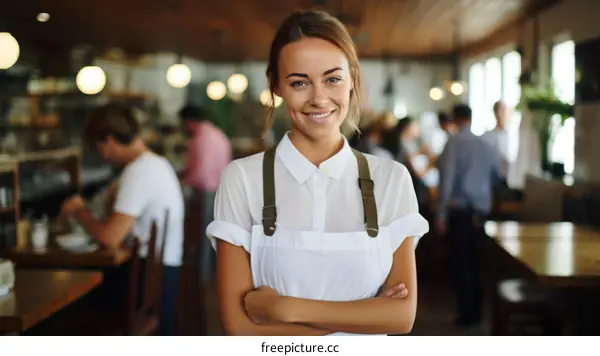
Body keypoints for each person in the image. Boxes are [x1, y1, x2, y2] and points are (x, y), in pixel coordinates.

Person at [205, 10, 429, 336]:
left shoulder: (392, 179)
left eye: (332, 79)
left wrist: (285, 309)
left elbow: (401, 318)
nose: (318, 98)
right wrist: (366, 315)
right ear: (276, 85)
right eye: (299, 82)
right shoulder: (242, 179)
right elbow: (241, 329)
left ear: (352, 78)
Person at [60, 103, 185, 336]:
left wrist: (79, 211)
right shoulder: (155, 163)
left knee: (69, 311)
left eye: (98, 147)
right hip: (161, 273)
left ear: (108, 140)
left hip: (147, 279)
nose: (100, 154)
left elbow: (110, 238)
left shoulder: (139, 171)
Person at [436, 103, 503, 330]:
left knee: (462, 264)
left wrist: (440, 214)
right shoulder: (485, 144)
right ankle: (478, 312)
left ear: (455, 119)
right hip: (482, 213)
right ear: (471, 118)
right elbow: (497, 176)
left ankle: (467, 315)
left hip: (461, 212)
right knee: (479, 263)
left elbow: (447, 180)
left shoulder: (453, 144)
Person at [179, 104, 232, 282]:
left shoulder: (203, 138)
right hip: (219, 189)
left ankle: (201, 277)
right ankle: (206, 275)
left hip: (208, 191)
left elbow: (201, 172)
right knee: (211, 233)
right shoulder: (213, 133)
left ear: (189, 122)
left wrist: (184, 182)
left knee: (204, 234)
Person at [482, 100, 511, 177]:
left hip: (510, 176)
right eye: (499, 110)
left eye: (504, 110)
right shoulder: (487, 135)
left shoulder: (512, 135)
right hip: (493, 176)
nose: (501, 114)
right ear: (495, 113)